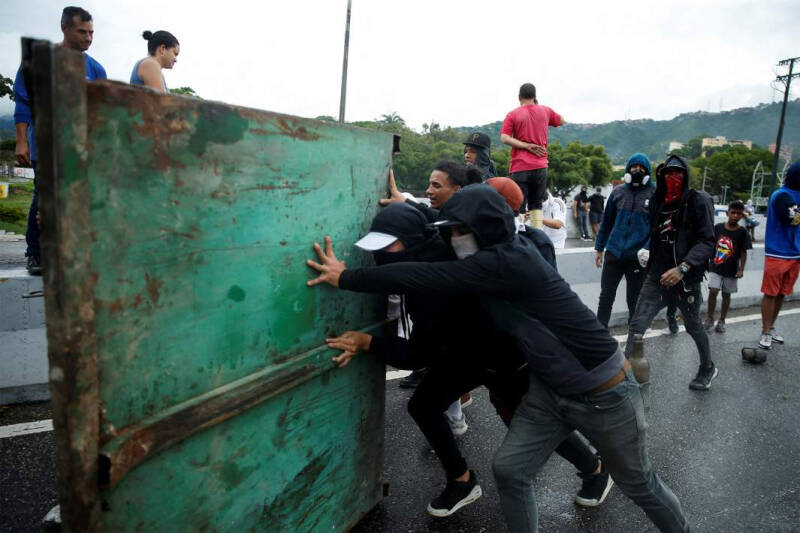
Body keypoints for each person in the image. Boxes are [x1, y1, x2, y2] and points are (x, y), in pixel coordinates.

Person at [307, 186, 689, 533]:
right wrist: (407, 206)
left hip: (603, 391)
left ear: (484, 228)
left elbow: (424, 275)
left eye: (459, 230)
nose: (452, 238)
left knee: (641, 485)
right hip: (549, 390)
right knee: (509, 470)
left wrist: (346, 278)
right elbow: (426, 250)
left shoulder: (506, 261)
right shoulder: (492, 255)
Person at [324, 200, 610, 517]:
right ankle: (461, 481)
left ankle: (594, 469)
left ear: (413, 242)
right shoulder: (434, 243)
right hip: (465, 353)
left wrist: (368, 342)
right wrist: (404, 204)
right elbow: (432, 223)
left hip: (504, 356)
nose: (381, 257)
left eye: (389, 246)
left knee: (532, 423)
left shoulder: (435, 279)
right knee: (423, 405)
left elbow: (418, 354)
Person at [13, 6, 106, 275]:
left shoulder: (95, 68)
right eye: (82, 32)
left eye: (91, 33)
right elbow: (23, 102)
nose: (88, 38)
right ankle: (36, 254)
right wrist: (21, 140)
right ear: (64, 28)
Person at [624, 154, 717, 391]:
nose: (672, 178)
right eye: (667, 173)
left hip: (686, 278)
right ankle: (626, 376)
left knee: (693, 324)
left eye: (677, 173)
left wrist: (683, 267)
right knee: (637, 325)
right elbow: (656, 237)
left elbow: (707, 242)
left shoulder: (698, 200)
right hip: (656, 276)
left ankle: (707, 367)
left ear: (685, 176)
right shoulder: (658, 201)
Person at [594, 154, 654, 327]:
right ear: (628, 170)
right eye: (633, 167)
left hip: (638, 258)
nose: (637, 170)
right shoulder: (618, 192)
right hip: (614, 253)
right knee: (606, 297)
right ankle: (600, 334)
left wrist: (648, 248)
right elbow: (606, 222)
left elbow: (657, 228)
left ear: (647, 172)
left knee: (634, 300)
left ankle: (633, 339)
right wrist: (599, 248)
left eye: (641, 168)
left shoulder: (654, 193)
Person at [500, 83, 563, 228]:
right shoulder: (545, 111)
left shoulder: (513, 114)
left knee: (518, 205)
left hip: (520, 167)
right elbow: (561, 120)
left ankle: (519, 238)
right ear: (535, 97)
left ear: (519, 97)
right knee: (536, 205)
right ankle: (537, 237)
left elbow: (504, 138)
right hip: (540, 166)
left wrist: (526, 146)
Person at [758, 161, 800, 349]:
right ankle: (765, 331)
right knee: (770, 293)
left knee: (783, 293)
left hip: (795, 253)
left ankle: (772, 327)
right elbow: (793, 218)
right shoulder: (781, 195)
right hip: (777, 252)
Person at [705, 200, 751, 333]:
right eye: (733, 212)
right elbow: (710, 245)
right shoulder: (718, 227)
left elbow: (743, 252)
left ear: (742, 215)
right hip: (716, 266)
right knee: (713, 290)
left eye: (738, 213)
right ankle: (709, 318)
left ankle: (722, 320)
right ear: (727, 213)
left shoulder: (742, 232)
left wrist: (741, 269)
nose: (735, 215)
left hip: (731, 269)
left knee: (726, 294)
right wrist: (707, 261)